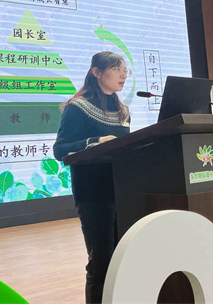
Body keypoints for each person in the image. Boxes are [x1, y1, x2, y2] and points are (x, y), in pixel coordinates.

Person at [53, 51, 131, 304]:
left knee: (125, 257)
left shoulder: (123, 110)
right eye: (117, 69)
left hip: (124, 191)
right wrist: (96, 141)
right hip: (94, 194)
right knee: (101, 261)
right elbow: (60, 149)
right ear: (97, 72)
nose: (123, 75)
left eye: (125, 70)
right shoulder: (77, 107)